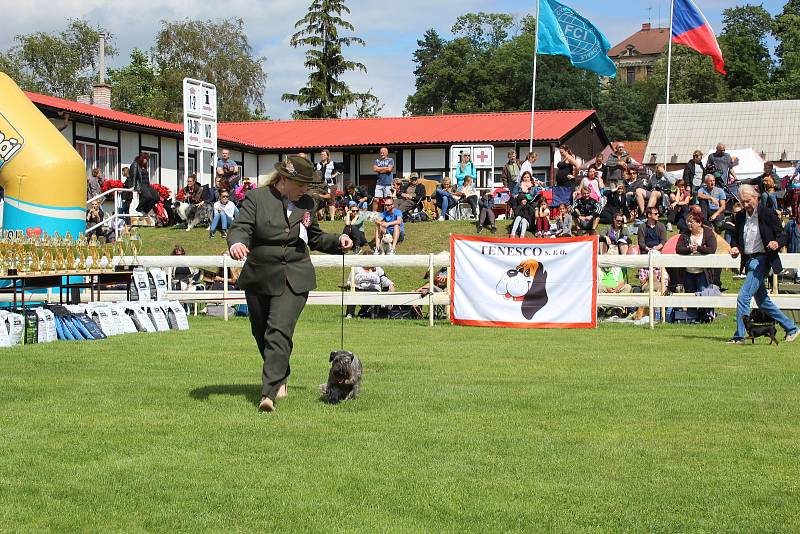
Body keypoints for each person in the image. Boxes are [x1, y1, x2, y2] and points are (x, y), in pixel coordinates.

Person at [227, 155, 353, 411]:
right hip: (260, 274)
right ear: (285, 179)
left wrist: (338, 240)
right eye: (301, 184)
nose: (305, 190)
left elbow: (315, 237)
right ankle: (280, 373)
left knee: (278, 329)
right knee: (261, 331)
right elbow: (241, 228)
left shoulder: (307, 203)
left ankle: (268, 394)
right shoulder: (256, 198)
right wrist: (237, 243)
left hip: (294, 275)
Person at [727, 184, 798, 344]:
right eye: (743, 202)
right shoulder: (740, 217)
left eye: (748, 201)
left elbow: (783, 235)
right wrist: (735, 248)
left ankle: (740, 336)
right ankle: (792, 328)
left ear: (756, 197)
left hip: (763, 260)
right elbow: (737, 239)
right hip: (749, 260)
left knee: (743, 297)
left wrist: (776, 243)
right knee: (763, 302)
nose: (746, 205)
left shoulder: (768, 214)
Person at [676, 212, 717, 322]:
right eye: (688, 222)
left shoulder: (708, 233)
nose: (689, 224)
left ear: (699, 223)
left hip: (703, 272)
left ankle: (705, 318)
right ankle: (692, 318)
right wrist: (689, 249)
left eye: (691, 222)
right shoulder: (685, 234)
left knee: (704, 293)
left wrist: (698, 248)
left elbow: (712, 249)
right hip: (689, 271)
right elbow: (678, 249)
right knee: (690, 293)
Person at [127, 152, 158, 217]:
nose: (147, 161)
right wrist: (133, 186)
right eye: (146, 159)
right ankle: (139, 209)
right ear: (142, 158)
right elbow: (133, 175)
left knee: (156, 198)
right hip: (140, 184)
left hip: (147, 185)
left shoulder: (144, 166)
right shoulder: (135, 164)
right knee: (148, 196)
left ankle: (144, 211)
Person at [315, 148, 340, 221]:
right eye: (321, 154)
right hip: (320, 185)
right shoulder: (318, 164)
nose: (322, 156)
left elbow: (342, 168)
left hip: (330, 184)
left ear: (327, 156)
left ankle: (332, 218)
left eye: (324, 155)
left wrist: (335, 174)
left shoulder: (332, 163)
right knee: (320, 200)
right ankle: (321, 217)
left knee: (331, 200)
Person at [371, 147, 394, 211]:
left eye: (383, 152)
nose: (381, 154)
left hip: (388, 183)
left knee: (387, 200)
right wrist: (385, 168)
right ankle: (373, 215)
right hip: (379, 183)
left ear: (387, 153)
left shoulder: (390, 160)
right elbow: (374, 169)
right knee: (376, 199)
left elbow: (389, 169)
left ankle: (387, 214)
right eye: (381, 152)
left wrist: (380, 169)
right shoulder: (377, 161)